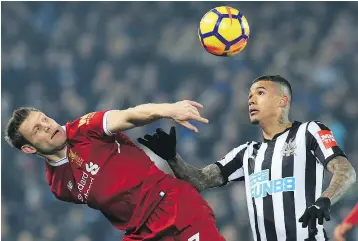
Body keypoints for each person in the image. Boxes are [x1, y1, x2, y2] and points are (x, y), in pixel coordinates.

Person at [138, 75, 357, 241]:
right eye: (250, 95)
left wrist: (324, 200)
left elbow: (346, 171)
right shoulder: (246, 153)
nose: (251, 99)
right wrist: (172, 158)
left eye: (260, 93)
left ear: (282, 101)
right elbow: (200, 180)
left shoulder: (309, 132)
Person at [4, 100, 225, 241]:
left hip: (173, 205)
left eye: (45, 119)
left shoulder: (86, 128)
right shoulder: (58, 187)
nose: (48, 126)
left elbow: (129, 115)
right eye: (38, 129)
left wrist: (168, 110)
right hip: (141, 233)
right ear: (29, 148)